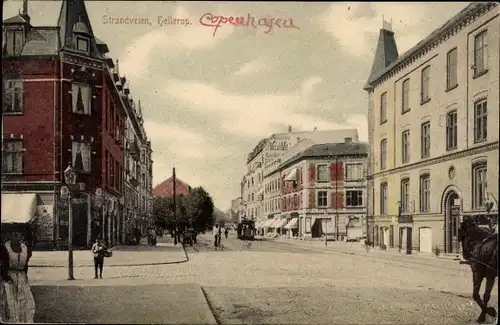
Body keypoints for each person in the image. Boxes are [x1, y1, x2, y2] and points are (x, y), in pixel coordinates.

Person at [0, 231, 36, 323]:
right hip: (9, 276)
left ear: (22, 236)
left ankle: (23, 320)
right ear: (10, 235)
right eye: (14, 234)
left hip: (21, 277)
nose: (16, 236)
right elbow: (3, 264)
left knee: (24, 301)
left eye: (19, 234)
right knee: (9, 301)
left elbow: (25, 265)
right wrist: (5, 277)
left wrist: (25, 278)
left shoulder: (25, 248)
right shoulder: (5, 248)